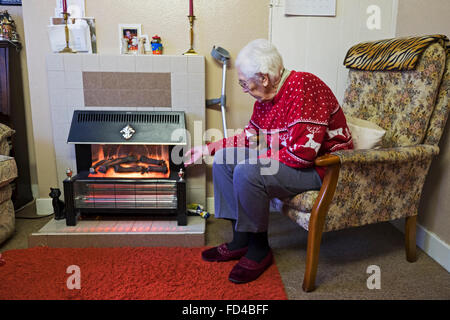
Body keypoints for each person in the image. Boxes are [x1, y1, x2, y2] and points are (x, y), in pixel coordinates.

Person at [184, 39, 353, 284]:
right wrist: (207, 148)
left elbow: (302, 155)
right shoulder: (265, 100)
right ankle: (241, 240)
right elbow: (248, 138)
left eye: (244, 82)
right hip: (292, 161)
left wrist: (259, 159)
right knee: (224, 159)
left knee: (249, 171)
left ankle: (259, 249)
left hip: (323, 168)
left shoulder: (303, 87)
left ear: (263, 78)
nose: (243, 88)